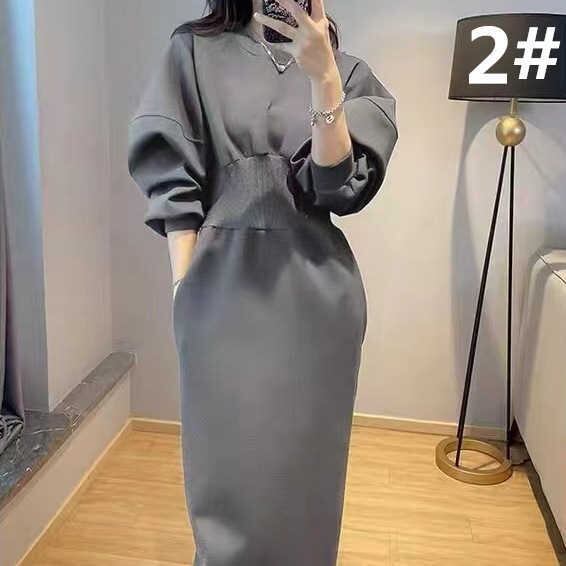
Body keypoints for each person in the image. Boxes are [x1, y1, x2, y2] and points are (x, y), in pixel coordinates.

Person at [127, 0, 398, 564]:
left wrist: (323, 78)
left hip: (316, 304)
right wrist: (183, 289)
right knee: (224, 479)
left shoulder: (348, 72)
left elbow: (337, 189)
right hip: (219, 297)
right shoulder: (192, 52)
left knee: (306, 480)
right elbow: (172, 178)